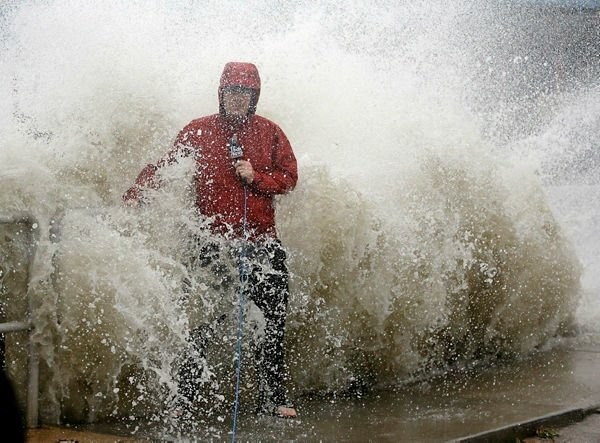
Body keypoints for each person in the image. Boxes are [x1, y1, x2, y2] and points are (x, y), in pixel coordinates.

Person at [123, 62, 298, 418]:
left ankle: (272, 398)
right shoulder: (198, 130)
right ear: (222, 94)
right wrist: (137, 193)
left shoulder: (271, 132)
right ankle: (186, 396)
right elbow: (168, 167)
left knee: (273, 321)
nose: (238, 99)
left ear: (255, 96)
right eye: (232, 92)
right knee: (200, 320)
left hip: (262, 244)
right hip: (211, 244)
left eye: (245, 93)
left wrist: (257, 176)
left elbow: (290, 177)